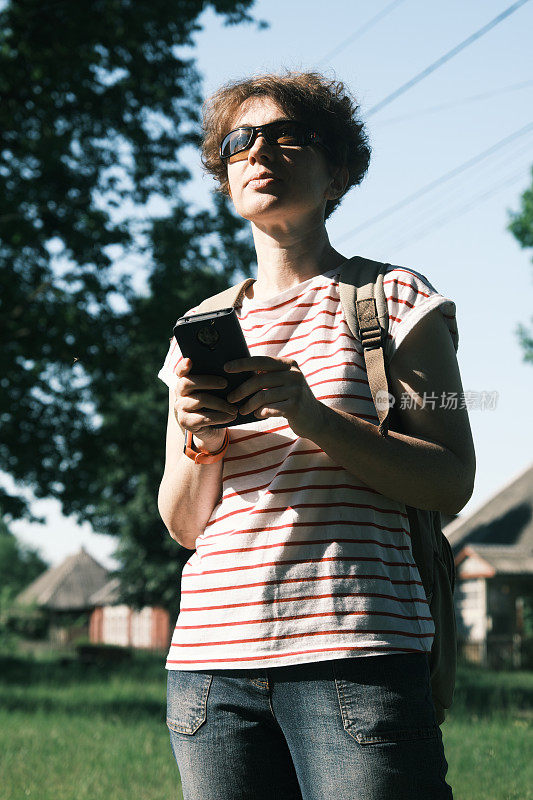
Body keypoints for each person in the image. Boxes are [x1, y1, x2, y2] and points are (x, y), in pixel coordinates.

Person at [157, 71, 476, 800]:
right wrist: (199, 440)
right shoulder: (195, 331)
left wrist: (311, 416)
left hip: (356, 655)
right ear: (224, 177)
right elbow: (181, 525)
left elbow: (450, 477)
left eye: (285, 136)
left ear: (338, 170)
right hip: (209, 670)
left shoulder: (394, 297)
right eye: (238, 143)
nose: (259, 151)